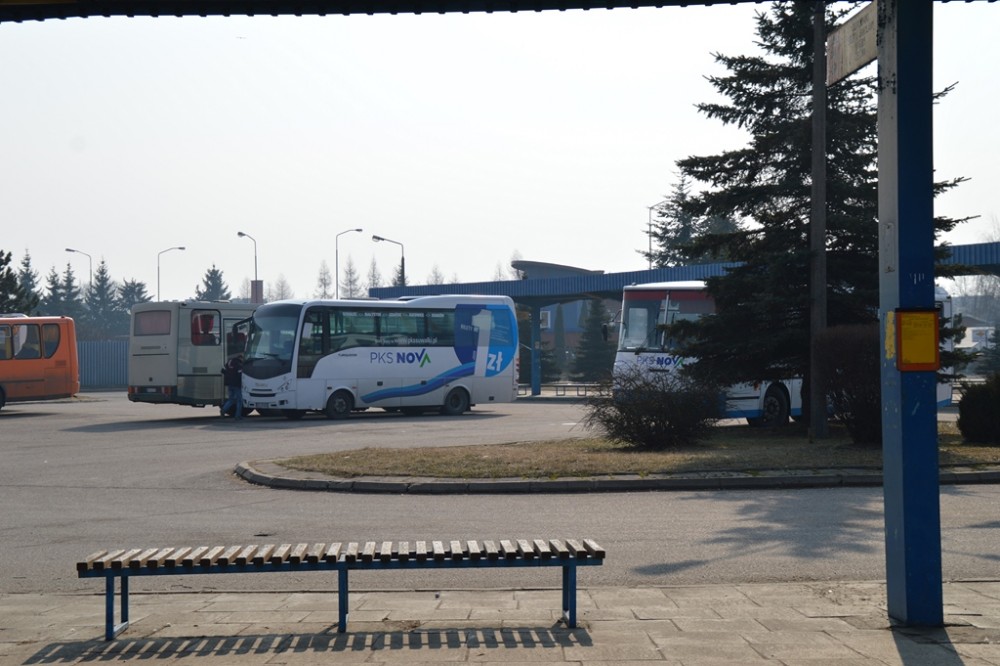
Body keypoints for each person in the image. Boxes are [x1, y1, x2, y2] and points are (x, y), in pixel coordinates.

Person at [220, 352, 244, 420]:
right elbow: (239, 375)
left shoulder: (229, 362)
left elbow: (225, 370)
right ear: (241, 358)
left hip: (230, 384)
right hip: (237, 384)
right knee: (239, 400)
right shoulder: (239, 365)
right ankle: (237, 416)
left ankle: (223, 409)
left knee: (231, 399)